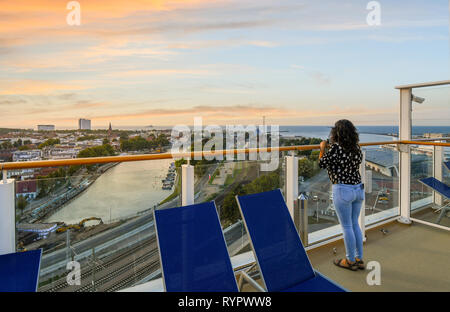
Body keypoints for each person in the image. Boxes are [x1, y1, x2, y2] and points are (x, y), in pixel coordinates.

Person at [318, 119, 365, 271]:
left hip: (343, 190)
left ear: (335, 134)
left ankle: (350, 261)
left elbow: (322, 163)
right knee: (355, 224)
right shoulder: (357, 148)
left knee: (347, 227)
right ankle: (359, 258)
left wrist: (322, 148)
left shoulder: (336, 148)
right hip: (358, 189)